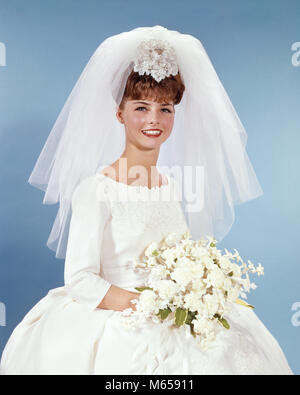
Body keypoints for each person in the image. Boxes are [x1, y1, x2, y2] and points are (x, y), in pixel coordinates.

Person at [0, 26, 293, 374]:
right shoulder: (96, 189)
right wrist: (150, 304)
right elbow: (80, 279)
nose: (154, 120)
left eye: (166, 109)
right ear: (120, 114)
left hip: (174, 309)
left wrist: (192, 293)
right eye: (141, 107)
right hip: (122, 315)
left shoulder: (170, 185)